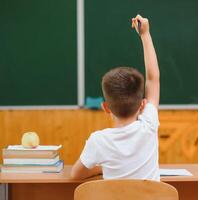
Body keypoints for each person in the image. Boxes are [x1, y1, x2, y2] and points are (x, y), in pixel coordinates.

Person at [71, 14, 160, 181]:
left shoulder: (98, 141)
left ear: (106, 107)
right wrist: (145, 34)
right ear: (142, 105)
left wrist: (101, 169)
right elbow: (153, 79)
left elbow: (75, 175)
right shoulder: (149, 125)